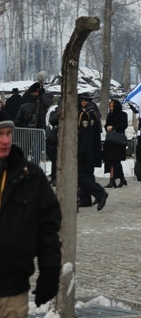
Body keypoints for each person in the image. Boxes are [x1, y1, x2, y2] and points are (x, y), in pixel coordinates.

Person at [0, 110, 62, 314]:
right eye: (0, 134)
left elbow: (48, 230)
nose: (5, 140)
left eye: (9, 133)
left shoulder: (30, 177)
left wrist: (50, 273)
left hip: (12, 290)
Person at [77, 93, 109, 211]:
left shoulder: (86, 115)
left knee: (81, 176)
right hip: (90, 149)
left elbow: (86, 135)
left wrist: (83, 151)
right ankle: (85, 199)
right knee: (88, 175)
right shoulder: (92, 113)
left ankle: (100, 193)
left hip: (85, 150)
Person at [103, 99, 128, 188]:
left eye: (112, 106)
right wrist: (107, 127)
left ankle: (112, 180)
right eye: (110, 106)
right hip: (110, 140)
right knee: (111, 160)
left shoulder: (123, 114)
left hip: (118, 141)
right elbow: (106, 125)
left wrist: (113, 127)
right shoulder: (110, 115)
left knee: (115, 161)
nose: (111, 108)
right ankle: (122, 178)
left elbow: (124, 125)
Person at [45, 106, 59, 186]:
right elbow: (52, 120)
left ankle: (55, 178)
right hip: (53, 139)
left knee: (55, 160)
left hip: (55, 139)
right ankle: (54, 177)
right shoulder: (54, 112)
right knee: (54, 160)